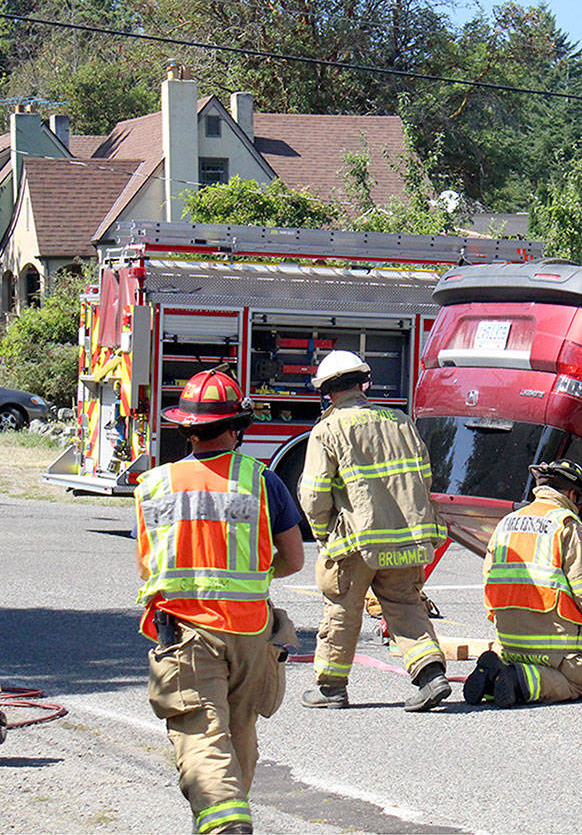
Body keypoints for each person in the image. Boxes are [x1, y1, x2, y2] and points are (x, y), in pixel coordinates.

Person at [135, 367, 305, 835]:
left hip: (186, 630)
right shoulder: (262, 480)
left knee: (200, 731)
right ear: (237, 427)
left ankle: (224, 822)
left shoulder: (155, 485)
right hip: (250, 631)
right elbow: (292, 559)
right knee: (239, 731)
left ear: (186, 429)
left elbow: (148, 567)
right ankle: (228, 818)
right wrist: (253, 574)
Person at [298, 350, 451, 712]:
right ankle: (431, 676)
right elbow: (424, 477)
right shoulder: (400, 421)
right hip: (405, 538)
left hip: (355, 542)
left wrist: (323, 534)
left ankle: (331, 688)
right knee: (405, 604)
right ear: (363, 384)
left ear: (327, 392)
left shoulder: (327, 430)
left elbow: (314, 494)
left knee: (341, 608)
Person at [466, 459, 582, 708]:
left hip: (508, 638)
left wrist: (497, 617)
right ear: (572, 494)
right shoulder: (566, 524)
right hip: (551, 641)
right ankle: (518, 680)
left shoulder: (507, 522)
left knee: (511, 666)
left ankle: (493, 677)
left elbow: (489, 575)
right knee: (575, 684)